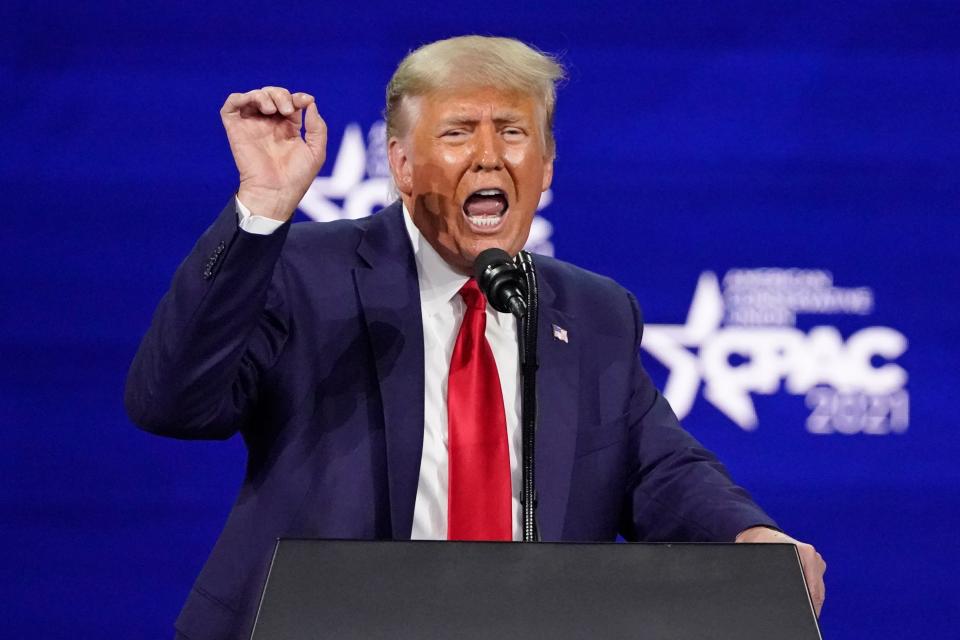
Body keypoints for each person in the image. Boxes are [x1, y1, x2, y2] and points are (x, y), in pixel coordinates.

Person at [126, 35, 826, 640]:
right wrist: (263, 210)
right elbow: (172, 403)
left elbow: (658, 469)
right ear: (400, 165)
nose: (489, 156)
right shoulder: (306, 273)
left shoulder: (592, 311)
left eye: (513, 132)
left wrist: (752, 539)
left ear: (546, 166)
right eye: (458, 132)